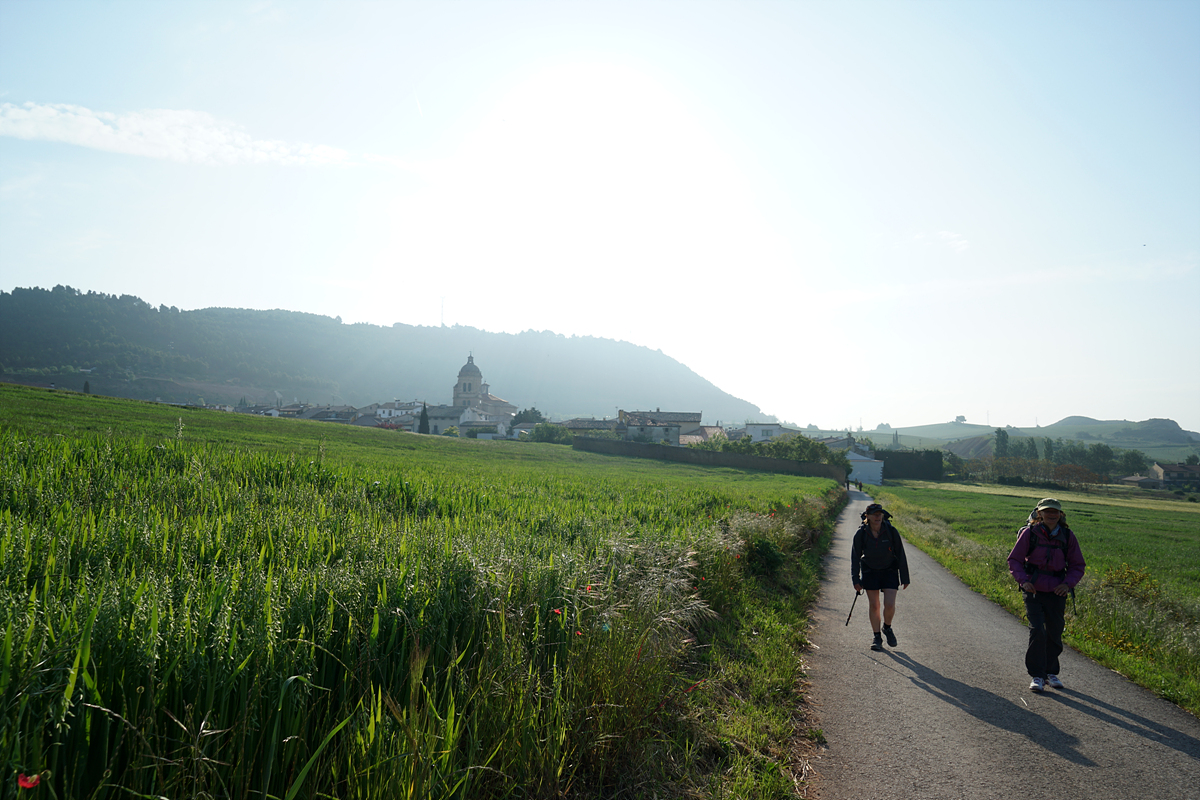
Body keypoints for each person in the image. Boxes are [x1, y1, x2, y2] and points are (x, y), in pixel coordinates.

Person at [1007, 498, 1086, 693]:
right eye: (1047, 511)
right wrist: (1023, 581)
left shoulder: (1067, 536)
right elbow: (1015, 560)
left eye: (1055, 512)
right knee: (1038, 631)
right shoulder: (1029, 533)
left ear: (1061, 514)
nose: (1052, 515)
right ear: (1039, 514)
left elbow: (1078, 565)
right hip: (1033, 590)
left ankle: (1051, 673)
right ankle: (1037, 675)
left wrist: (1067, 585)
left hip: (1057, 591)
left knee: (1054, 631)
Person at [851, 502, 911, 651]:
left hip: (889, 570)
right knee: (874, 605)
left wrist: (905, 577)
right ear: (868, 517)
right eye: (874, 514)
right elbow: (855, 557)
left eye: (880, 514)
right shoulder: (861, 533)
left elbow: (900, 554)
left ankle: (887, 628)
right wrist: (855, 579)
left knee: (889, 605)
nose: (878, 517)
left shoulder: (891, 531)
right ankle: (877, 637)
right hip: (870, 571)